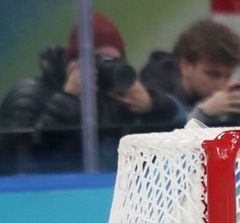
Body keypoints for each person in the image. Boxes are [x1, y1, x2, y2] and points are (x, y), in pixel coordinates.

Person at [0, 12, 180, 173]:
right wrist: (68, 99)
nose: (104, 69)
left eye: (113, 62)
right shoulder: (29, 96)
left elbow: (180, 134)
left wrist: (152, 108)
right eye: (97, 60)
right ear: (72, 63)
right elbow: (22, 161)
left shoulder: (115, 100)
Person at [139, 18, 240, 127]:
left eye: (227, 76)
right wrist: (202, 114)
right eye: (213, 75)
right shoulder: (153, 93)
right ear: (185, 66)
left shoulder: (211, 96)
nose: (222, 84)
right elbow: (158, 144)